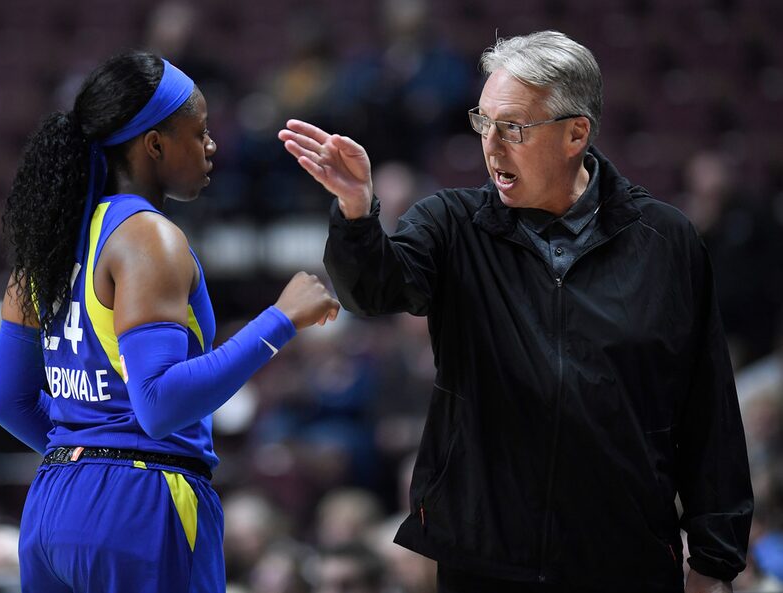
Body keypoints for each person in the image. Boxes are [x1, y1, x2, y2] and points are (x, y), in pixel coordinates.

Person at [279, 30, 752, 593]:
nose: (492, 145)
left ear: (576, 132)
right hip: (484, 558)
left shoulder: (665, 240)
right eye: (484, 122)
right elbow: (374, 292)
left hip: (623, 556)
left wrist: (713, 560)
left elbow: (708, 409)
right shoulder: (451, 223)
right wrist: (357, 213)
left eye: (514, 128)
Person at [0, 50, 340, 593]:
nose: (211, 145)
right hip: (142, 503)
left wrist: (86, 464)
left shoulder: (47, 241)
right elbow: (159, 404)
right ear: (154, 143)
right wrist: (279, 321)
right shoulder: (147, 236)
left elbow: (7, 401)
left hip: (51, 505)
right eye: (199, 132)